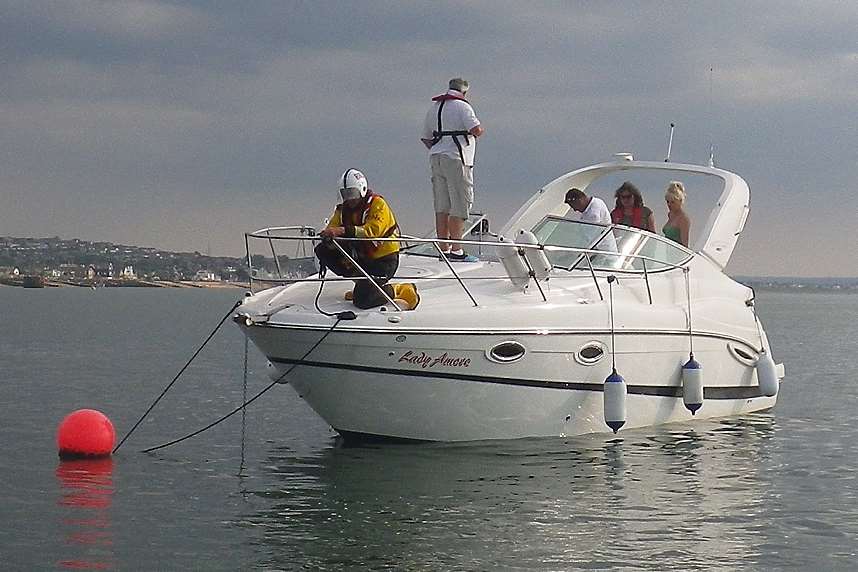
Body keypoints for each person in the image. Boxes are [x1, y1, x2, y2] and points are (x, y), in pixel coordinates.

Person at [315, 169, 419, 310]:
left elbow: (372, 231)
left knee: (363, 300)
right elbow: (333, 226)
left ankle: (399, 289)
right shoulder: (342, 210)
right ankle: (363, 283)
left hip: (383, 260)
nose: (349, 198)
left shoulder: (377, 204)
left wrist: (342, 230)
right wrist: (328, 236)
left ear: (362, 189)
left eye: (352, 193)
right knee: (323, 250)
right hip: (362, 258)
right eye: (345, 194)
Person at [421, 77, 484, 262]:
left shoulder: (434, 108)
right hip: (457, 158)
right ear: (464, 92)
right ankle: (457, 250)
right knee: (460, 203)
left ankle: (444, 249)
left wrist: (439, 146)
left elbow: (425, 137)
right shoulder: (463, 107)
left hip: (436, 158)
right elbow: (476, 129)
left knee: (442, 205)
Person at [564, 188, 618, 257]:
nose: (575, 210)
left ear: (579, 200)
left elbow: (590, 240)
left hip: (604, 254)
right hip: (600, 252)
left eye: (573, 206)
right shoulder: (597, 201)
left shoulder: (593, 214)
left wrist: (574, 253)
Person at [663, 181, 691, 247]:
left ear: (680, 201)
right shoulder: (670, 215)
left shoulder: (683, 219)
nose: (669, 204)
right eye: (667, 202)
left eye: (673, 202)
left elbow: (685, 244)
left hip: (676, 254)